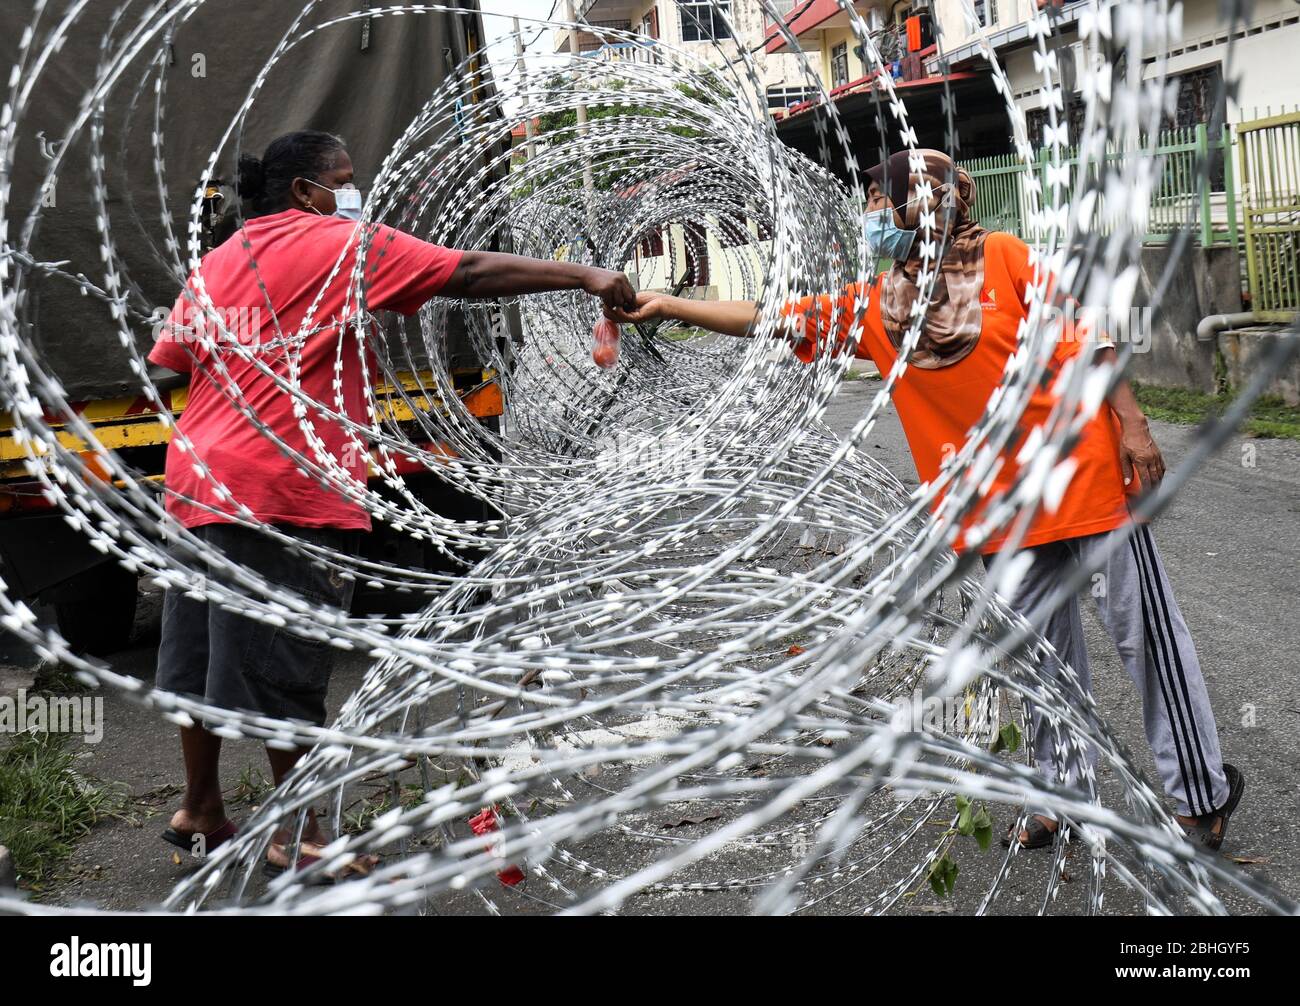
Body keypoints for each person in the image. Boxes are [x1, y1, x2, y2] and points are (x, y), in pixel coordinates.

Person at [606, 149, 1244, 852]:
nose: (872, 218)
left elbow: (1084, 337)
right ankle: (1062, 797)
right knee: (1037, 659)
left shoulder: (1004, 257)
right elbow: (768, 315)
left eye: (880, 203)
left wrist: (1134, 423)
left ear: (923, 204)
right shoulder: (879, 307)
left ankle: (1199, 797)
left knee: (1145, 638)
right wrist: (668, 305)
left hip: (1085, 480)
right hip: (995, 512)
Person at [150, 130, 635, 879]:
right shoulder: (341, 244)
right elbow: (466, 271)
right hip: (280, 482)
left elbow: (167, 368)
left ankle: (201, 808)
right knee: (284, 660)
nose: (354, 191)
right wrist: (584, 275)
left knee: (199, 651)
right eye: (344, 179)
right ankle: (297, 834)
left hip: (197, 476)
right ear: (307, 190)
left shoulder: (219, 261)